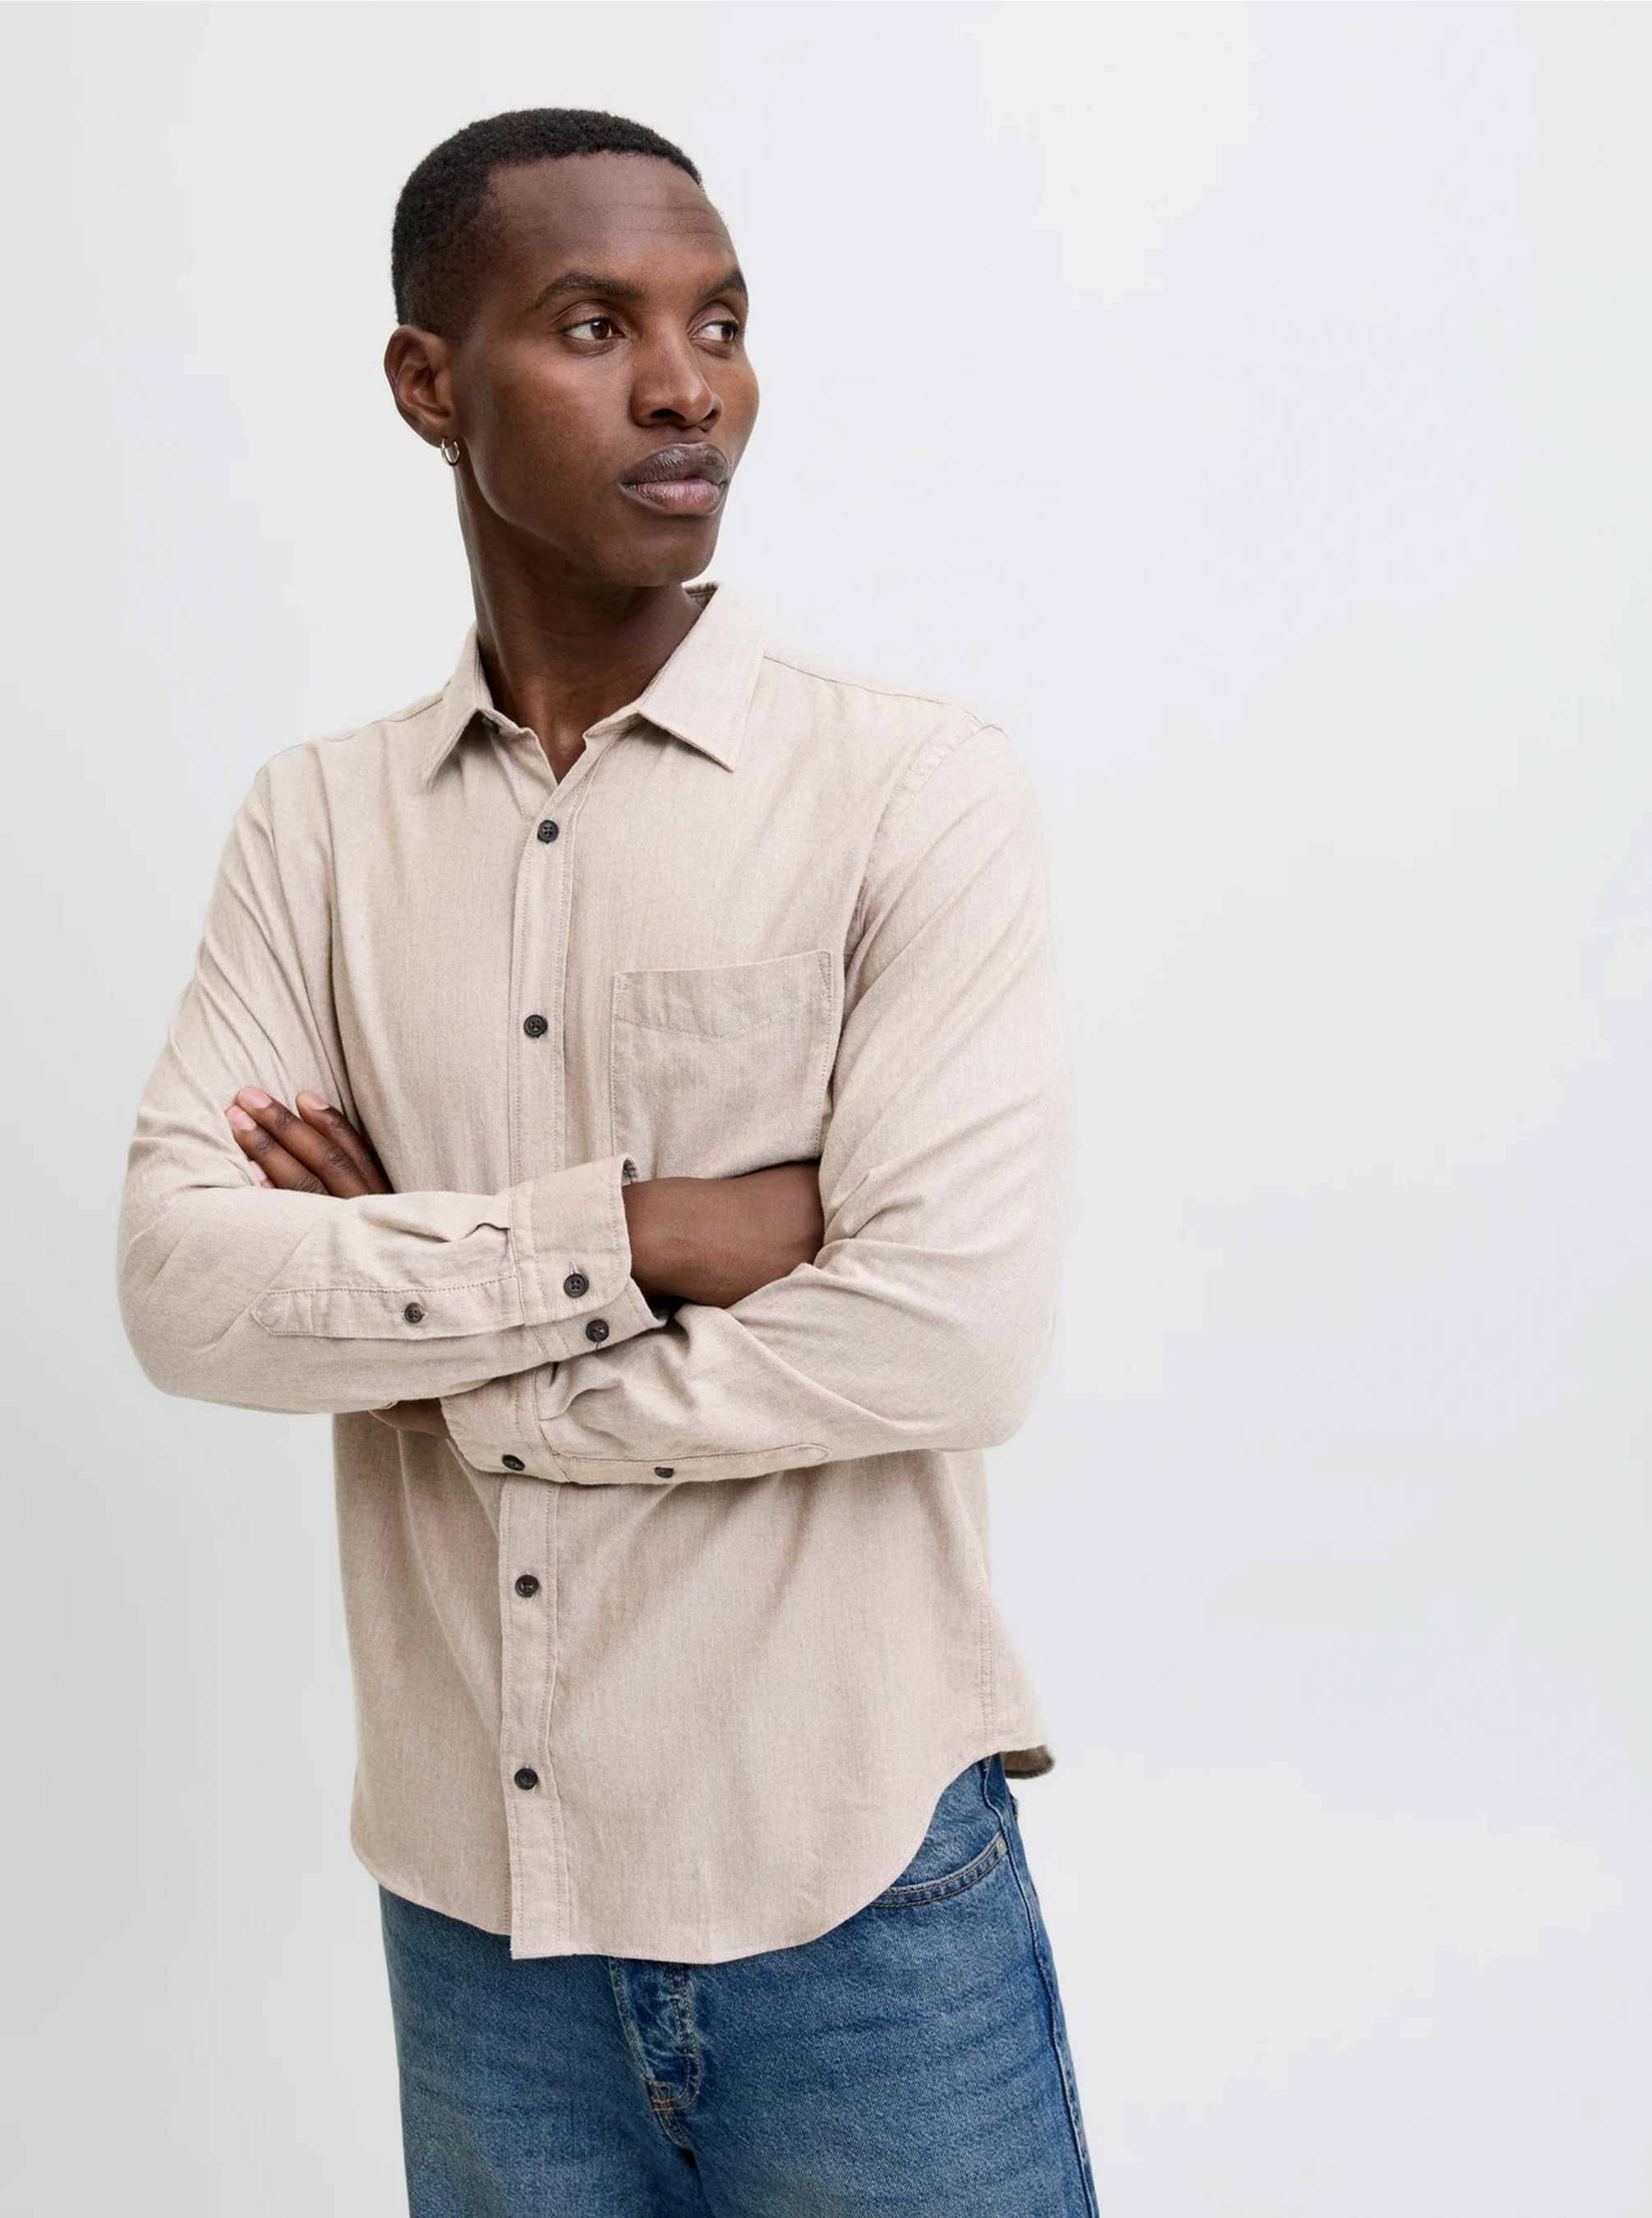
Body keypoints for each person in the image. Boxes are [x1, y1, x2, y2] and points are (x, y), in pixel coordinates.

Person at [119, 108, 1093, 2216]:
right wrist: (643, 1232)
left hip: (858, 1903)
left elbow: (946, 1335)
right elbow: (186, 1292)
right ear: (427, 384)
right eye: (592, 325)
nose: (685, 387)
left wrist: (437, 1353)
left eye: (717, 324)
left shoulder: (906, 788)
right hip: (475, 1921)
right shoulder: (316, 828)